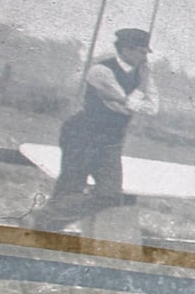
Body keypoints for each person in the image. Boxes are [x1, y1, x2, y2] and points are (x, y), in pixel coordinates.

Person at [35, 27, 158, 231]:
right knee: (70, 186)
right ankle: (45, 231)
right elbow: (132, 105)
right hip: (82, 135)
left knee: (110, 194)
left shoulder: (143, 75)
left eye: (146, 52)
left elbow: (152, 108)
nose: (145, 57)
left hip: (112, 140)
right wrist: (140, 89)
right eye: (141, 51)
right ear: (125, 50)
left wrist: (134, 94)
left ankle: (45, 219)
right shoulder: (101, 71)